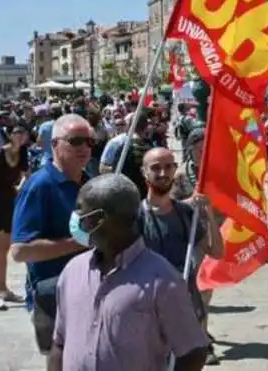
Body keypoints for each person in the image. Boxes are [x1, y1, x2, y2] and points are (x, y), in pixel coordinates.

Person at [48, 174, 209, 371]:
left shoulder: (163, 280)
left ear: (100, 219)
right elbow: (59, 342)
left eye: (81, 209)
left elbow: (193, 353)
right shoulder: (73, 271)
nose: (76, 216)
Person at [10, 114, 92, 355]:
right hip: (54, 299)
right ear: (54, 144)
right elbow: (20, 251)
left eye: (89, 141)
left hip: (88, 294)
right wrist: (80, 243)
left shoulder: (89, 183)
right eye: (76, 141)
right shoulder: (39, 186)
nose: (85, 147)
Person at [140, 147, 224, 365]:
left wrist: (209, 215)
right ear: (144, 172)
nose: (162, 173)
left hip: (186, 307)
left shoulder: (185, 214)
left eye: (168, 167)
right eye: (155, 168)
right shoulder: (136, 217)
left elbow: (216, 252)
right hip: (149, 312)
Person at [0, 124, 29, 310]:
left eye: (22, 133)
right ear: (10, 135)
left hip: (10, 200)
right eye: (16, 132)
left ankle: (3, 289)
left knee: (4, 248)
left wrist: (20, 186)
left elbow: (26, 174)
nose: (20, 136)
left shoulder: (23, 152)